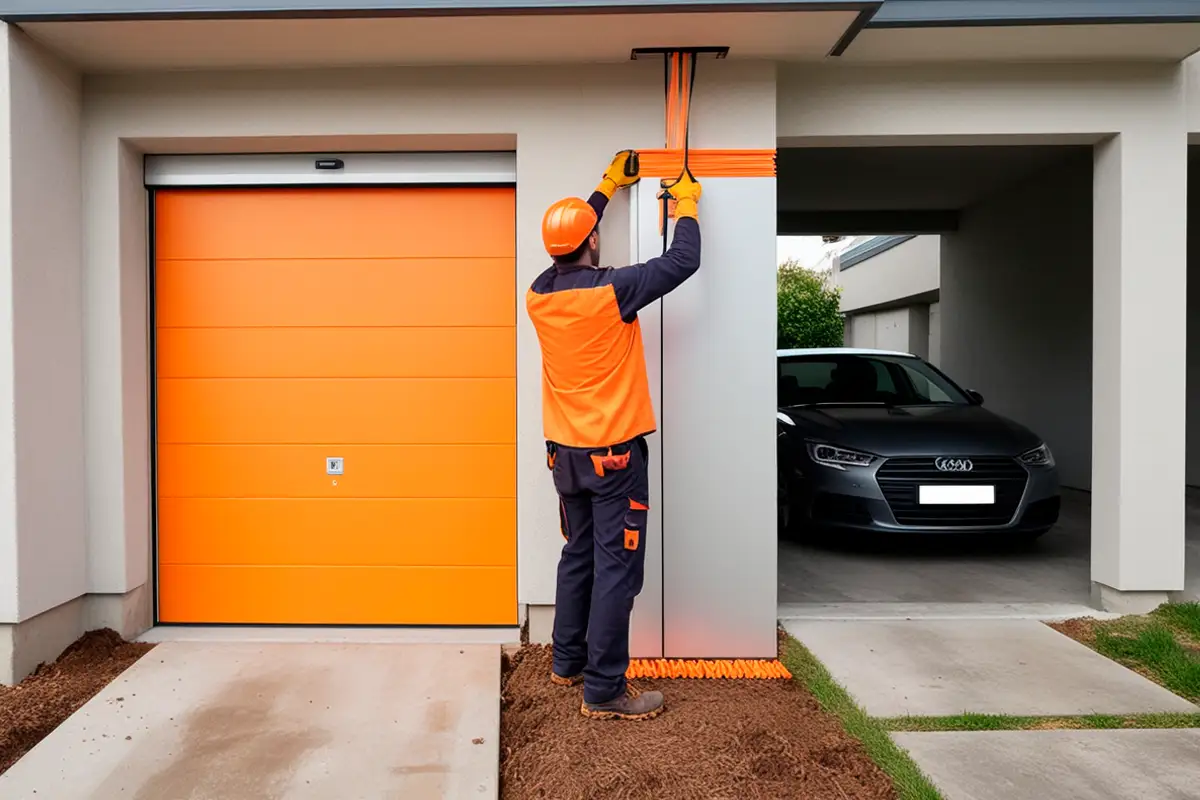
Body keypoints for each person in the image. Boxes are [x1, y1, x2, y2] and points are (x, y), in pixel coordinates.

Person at [525, 150, 703, 721]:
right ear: (593, 241)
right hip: (613, 460)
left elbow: (573, 243)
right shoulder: (613, 292)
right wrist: (687, 204)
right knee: (617, 572)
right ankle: (603, 690)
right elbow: (683, 260)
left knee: (577, 556)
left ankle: (566, 661)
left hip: (565, 458)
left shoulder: (539, 294)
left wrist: (605, 186)